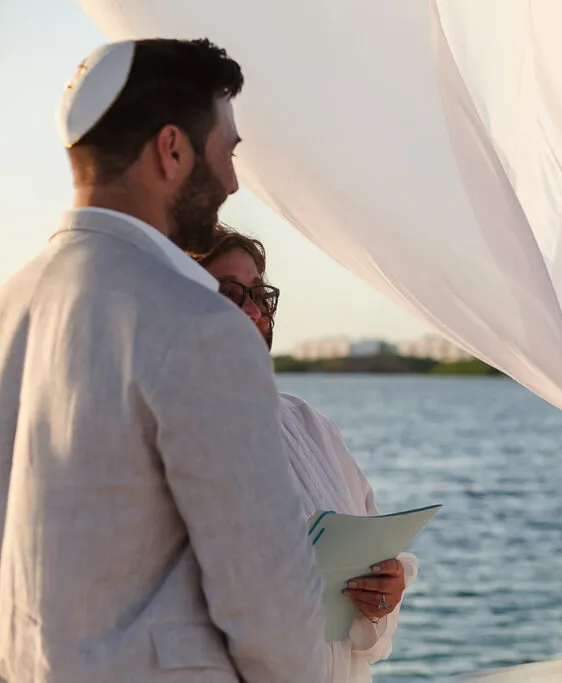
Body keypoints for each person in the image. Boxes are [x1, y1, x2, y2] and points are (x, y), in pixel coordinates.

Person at [0, 40, 327, 683]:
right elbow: (269, 609)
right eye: (228, 152)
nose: (233, 181)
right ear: (172, 149)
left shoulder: (11, 309)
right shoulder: (200, 325)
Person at [195, 227, 417, 683]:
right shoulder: (153, 434)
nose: (255, 312)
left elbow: (370, 560)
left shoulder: (311, 426)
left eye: (259, 294)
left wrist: (383, 594)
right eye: (229, 293)